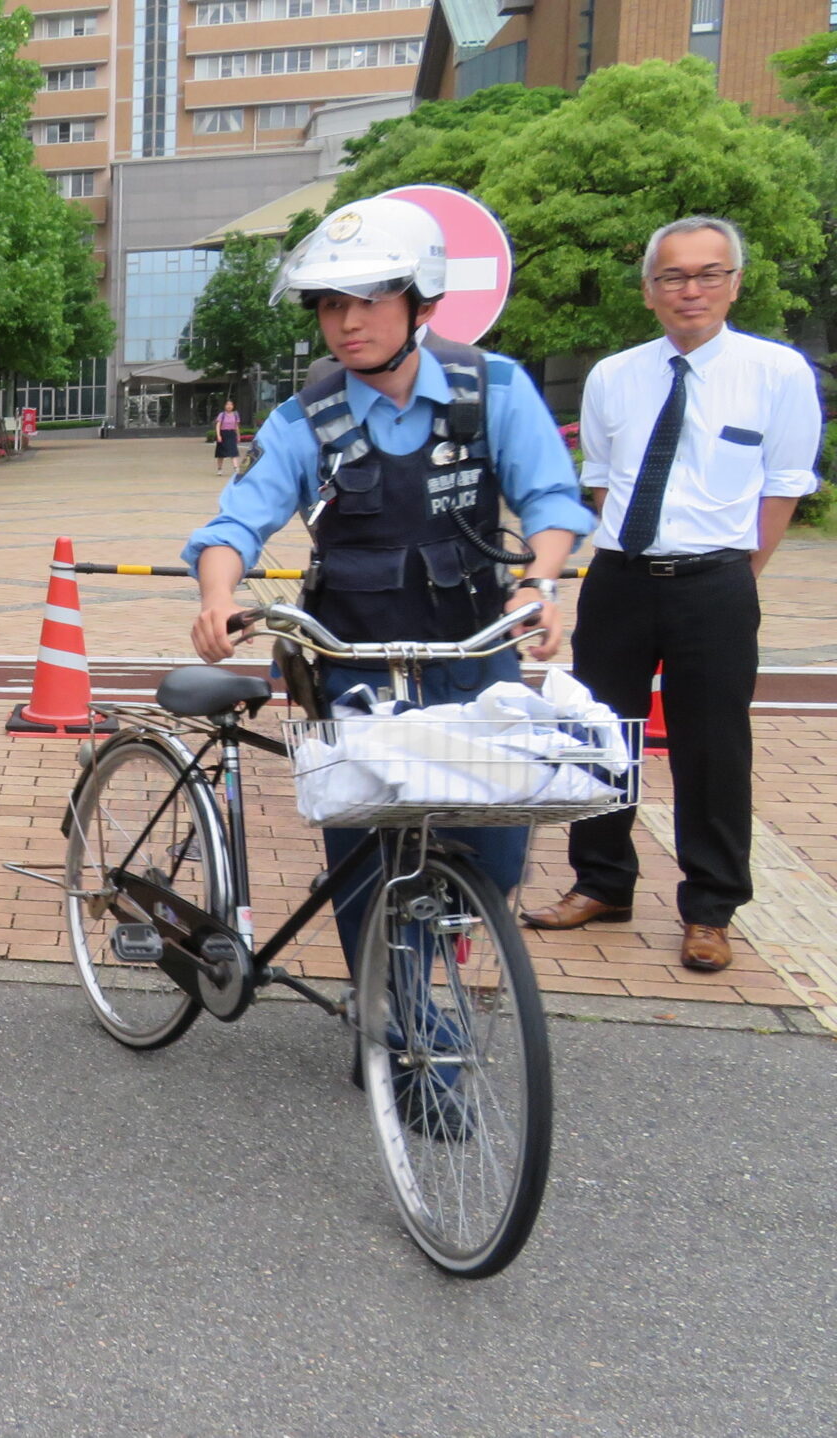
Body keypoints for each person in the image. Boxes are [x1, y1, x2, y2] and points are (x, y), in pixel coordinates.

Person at [182, 198, 594, 1118]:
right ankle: (404, 1034)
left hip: (474, 661)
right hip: (354, 667)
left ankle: (404, 986)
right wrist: (217, 594)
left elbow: (553, 500)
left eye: (369, 300)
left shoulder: (492, 390)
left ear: (421, 302)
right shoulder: (308, 417)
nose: (348, 322)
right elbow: (234, 523)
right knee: (370, 869)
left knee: (491, 855)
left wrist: (542, 582)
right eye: (332, 305)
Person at [520, 217, 826, 974]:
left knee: (712, 748)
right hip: (620, 578)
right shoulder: (613, 375)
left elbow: (785, 486)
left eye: (708, 273)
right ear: (649, 290)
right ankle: (601, 883)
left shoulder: (777, 372)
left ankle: (711, 909)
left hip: (717, 581)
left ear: (735, 283)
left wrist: (739, 575)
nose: (692, 289)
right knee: (601, 733)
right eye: (674, 276)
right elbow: (600, 480)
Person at [212, 398, 243, 476]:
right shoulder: (222, 415)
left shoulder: (235, 414)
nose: (229, 406)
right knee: (221, 454)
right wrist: (218, 435)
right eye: (227, 404)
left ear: (233, 406)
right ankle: (219, 469)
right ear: (224, 406)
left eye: (231, 404)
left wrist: (238, 436)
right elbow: (218, 425)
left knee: (234, 452)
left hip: (232, 434)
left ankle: (236, 468)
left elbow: (236, 426)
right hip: (223, 434)